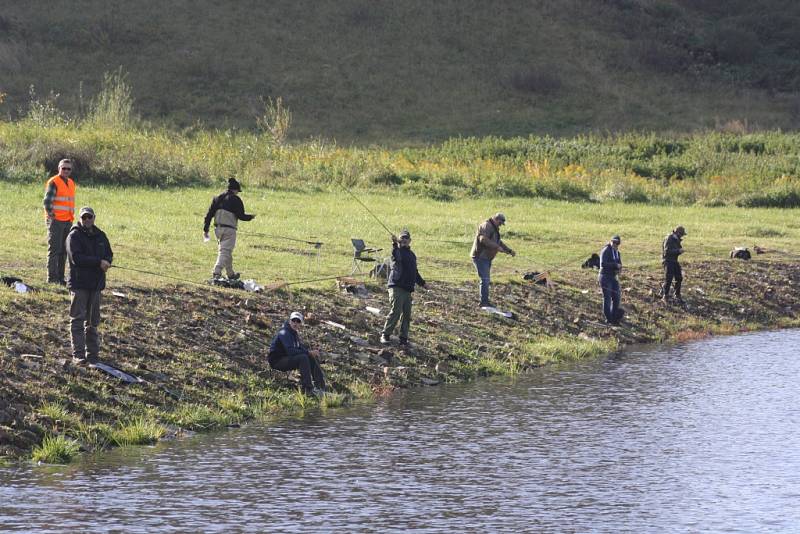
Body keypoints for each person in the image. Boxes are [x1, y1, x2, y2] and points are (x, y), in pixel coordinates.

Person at [66, 207, 113, 364]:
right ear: (80, 218)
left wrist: (107, 261)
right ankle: (78, 355)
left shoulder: (101, 236)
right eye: (84, 217)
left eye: (89, 217)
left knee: (93, 322)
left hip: (96, 284)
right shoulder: (74, 236)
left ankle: (93, 355)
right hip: (79, 284)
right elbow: (76, 258)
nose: (86, 220)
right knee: (77, 319)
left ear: (94, 217)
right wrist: (98, 262)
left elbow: (109, 254)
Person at [380, 229, 426, 346]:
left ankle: (403, 339)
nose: (404, 240)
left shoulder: (412, 255)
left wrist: (423, 283)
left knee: (406, 315)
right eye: (402, 238)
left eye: (406, 238)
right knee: (395, 311)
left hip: (407, 290)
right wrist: (395, 244)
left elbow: (415, 272)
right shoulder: (397, 251)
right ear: (400, 240)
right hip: (397, 287)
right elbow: (396, 255)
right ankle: (385, 335)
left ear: (410, 241)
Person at [203, 178, 255, 281]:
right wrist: (250, 217)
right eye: (237, 191)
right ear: (235, 190)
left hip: (217, 229)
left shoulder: (217, 198)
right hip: (229, 230)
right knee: (225, 251)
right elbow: (241, 216)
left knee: (226, 251)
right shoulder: (236, 199)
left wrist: (206, 229)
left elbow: (209, 215)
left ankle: (230, 274)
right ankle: (216, 272)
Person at [268, 312, 327, 395]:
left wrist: (311, 353)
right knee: (303, 357)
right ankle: (308, 389)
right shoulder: (284, 332)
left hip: (287, 359)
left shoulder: (294, 333)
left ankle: (321, 387)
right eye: (293, 320)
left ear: (300, 324)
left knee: (311, 357)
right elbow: (290, 351)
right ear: (289, 321)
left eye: (298, 321)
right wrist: (308, 352)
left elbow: (300, 347)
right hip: (277, 361)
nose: (295, 323)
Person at [470, 212, 515, 308]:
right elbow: (483, 239)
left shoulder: (494, 228)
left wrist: (509, 250)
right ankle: (484, 302)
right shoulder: (486, 225)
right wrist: (497, 247)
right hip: (480, 256)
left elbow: (498, 242)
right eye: (500, 223)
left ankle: (485, 301)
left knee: (486, 279)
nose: (500, 225)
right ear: (496, 219)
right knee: (485, 279)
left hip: (486, 258)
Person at [43, 158, 76, 285]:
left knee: (64, 251)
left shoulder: (71, 183)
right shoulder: (54, 182)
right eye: (64, 168)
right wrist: (52, 216)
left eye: (68, 168)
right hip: (56, 221)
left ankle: (61, 278)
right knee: (54, 250)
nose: (66, 171)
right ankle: (52, 278)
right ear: (59, 169)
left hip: (68, 220)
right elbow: (47, 202)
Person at [599, 235, 623, 324]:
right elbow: (603, 264)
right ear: (611, 241)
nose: (615, 244)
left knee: (617, 297)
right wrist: (615, 265)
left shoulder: (617, 253)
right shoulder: (606, 250)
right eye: (614, 242)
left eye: (617, 243)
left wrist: (619, 268)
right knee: (607, 298)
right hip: (605, 276)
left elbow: (619, 263)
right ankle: (608, 319)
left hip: (613, 277)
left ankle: (614, 318)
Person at [661, 225, 686, 304]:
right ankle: (665, 296)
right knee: (669, 278)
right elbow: (667, 252)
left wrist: (679, 251)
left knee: (679, 277)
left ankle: (677, 295)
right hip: (668, 261)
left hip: (674, 261)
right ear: (678, 233)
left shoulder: (676, 239)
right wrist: (678, 251)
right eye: (681, 234)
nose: (682, 236)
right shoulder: (669, 238)